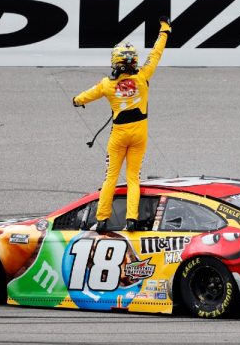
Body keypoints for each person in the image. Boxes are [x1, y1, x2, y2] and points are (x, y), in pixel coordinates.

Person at [72, 16, 171, 232]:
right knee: (133, 178)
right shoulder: (143, 76)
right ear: (134, 62)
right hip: (139, 135)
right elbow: (156, 54)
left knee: (111, 178)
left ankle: (102, 220)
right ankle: (132, 220)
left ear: (115, 62)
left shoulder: (107, 85)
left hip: (118, 136)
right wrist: (164, 29)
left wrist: (76, 100)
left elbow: (86, 96)